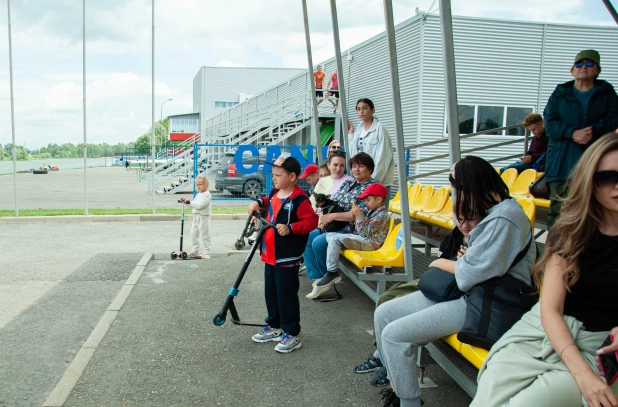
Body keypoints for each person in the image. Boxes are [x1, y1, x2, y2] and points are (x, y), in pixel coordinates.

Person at [471, 133, 618, 407]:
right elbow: (550, 310)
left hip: (600, 347)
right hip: (545, 331)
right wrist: (583, 375)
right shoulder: (570, 233)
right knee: (487, 398)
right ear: (590, 181)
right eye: (607, 177)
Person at [377, 156, 535, 407]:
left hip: (486, 300)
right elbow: (469, 259)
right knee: (384, 313)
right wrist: (465, 260)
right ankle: (397, 385)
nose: (456, 193)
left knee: (394, 335)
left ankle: (408, 402)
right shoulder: (489, 209)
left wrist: (444, 263)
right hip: (469, 292)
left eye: (458, 186)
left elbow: (468, 275)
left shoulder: (506, 216)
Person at [354, 212, 481, 387]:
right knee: (385, 302)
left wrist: (450, 264)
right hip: (440, 283)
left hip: (458, 295)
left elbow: (466, 274)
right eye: (460, 218)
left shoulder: (489, 236)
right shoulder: (455, 236)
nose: (465, 224)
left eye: (471, 218)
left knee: (394, 331)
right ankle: (384, 359)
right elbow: (440, 266)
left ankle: (387, 364)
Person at [247, 156, 318, 354]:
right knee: (271, 292)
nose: (274, 178)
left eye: (278, 175)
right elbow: (267, 201)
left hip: (286, 257)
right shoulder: (275, 192)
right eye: (273, 174)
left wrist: (292, 228)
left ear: (293, 176)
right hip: (269, 255)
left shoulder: (299, 200)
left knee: (286, 295)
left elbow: (312, 222)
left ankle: (291, 333)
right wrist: (257, 202)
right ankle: (274, 325)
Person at [544, 49, 618, 229]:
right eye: (579, 63)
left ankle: (589, 254)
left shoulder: (607, 93)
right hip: (562, 163)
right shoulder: (560, 93)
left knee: (593, 211)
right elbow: (550, 123)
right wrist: (572, 133)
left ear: (597, 70)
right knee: (559, 211)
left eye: (589, 63)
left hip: (594, 162)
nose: (584, 67)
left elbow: (615, 118)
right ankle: (556, 253)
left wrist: (593, 130)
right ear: (572, 70)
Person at [303, 152, 377, 285]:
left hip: (350, 229)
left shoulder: (372, 188)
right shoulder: (349, 183)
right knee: (306, 237)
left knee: (318, 243)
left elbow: (359, 214)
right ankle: (318, 276)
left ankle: (329, 276)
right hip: (333, 225)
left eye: (361, 166)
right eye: (354, 166)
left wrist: (332, 216)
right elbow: (334, 202)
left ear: (370, 169)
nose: (356, 169)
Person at [309, 183, 391, 300]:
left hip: (371, 243)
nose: (366, 203)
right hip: (366, 239)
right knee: (331, 236)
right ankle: (332, 270)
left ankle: (332, 272)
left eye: (368, 200)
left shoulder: (381, 215)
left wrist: (358, 216)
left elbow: (363, 232)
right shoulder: (374, 211)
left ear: (378, 200)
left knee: (335, 238)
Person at [348, 98, 394, 187]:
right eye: (358, 109)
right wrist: (351, 134)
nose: (361, 111)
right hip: (362, 180)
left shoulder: (380, 130)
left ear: (372, 110)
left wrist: (372, 181)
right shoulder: (359, 130)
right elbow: (354, 154)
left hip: (378, 181)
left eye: (365, 108)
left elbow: (382, 158)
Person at [180, 176, 212, 259]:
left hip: (204, 217)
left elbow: (201, 205)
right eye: (197, 185)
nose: (198, 186)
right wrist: (186, 202)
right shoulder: (198, 194)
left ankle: (206, 252)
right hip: (196, 216)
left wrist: (190, 202)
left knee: (204, 234)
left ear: (205, 184)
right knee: (193, 233)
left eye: (200, 184)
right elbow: (194, 204)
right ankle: (195, 250)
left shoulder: (207, 195)